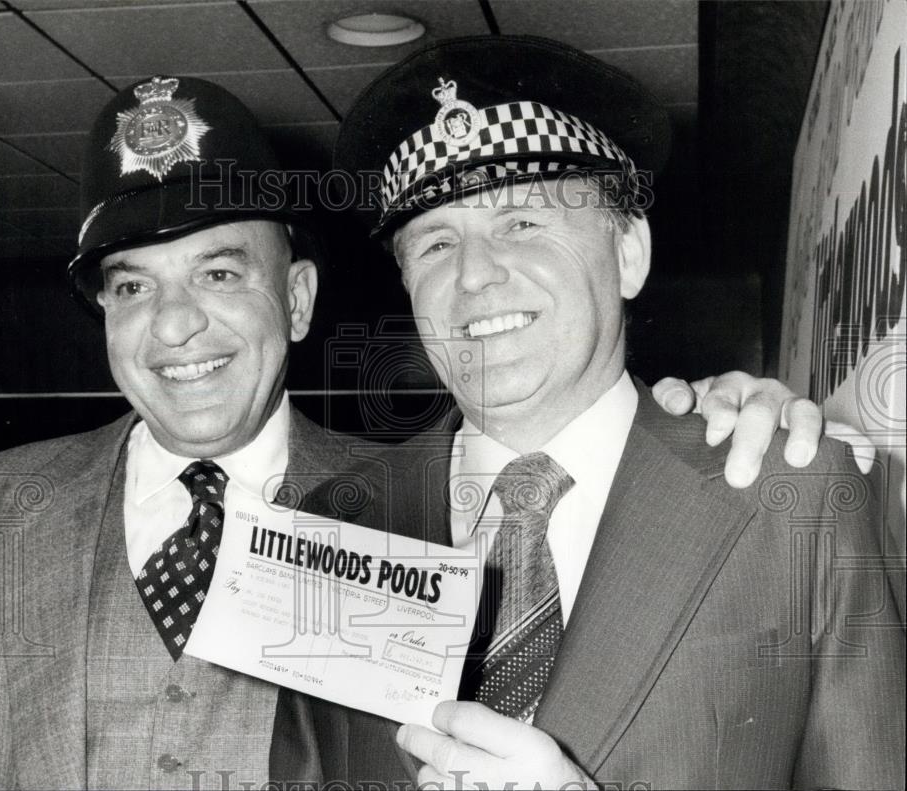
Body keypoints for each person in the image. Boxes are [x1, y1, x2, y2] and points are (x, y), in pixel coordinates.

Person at [0, 74, 834, 791]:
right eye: (131, 286)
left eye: (222, 274)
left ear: (300, 299)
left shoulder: (386, 510)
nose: (175, 327)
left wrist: (704, 422)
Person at [275, 36, 906, 789]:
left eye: (523, 224)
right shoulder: (336, 525)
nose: (474, 276)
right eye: (436, 241)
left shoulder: (795, 496)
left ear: (629, 253)